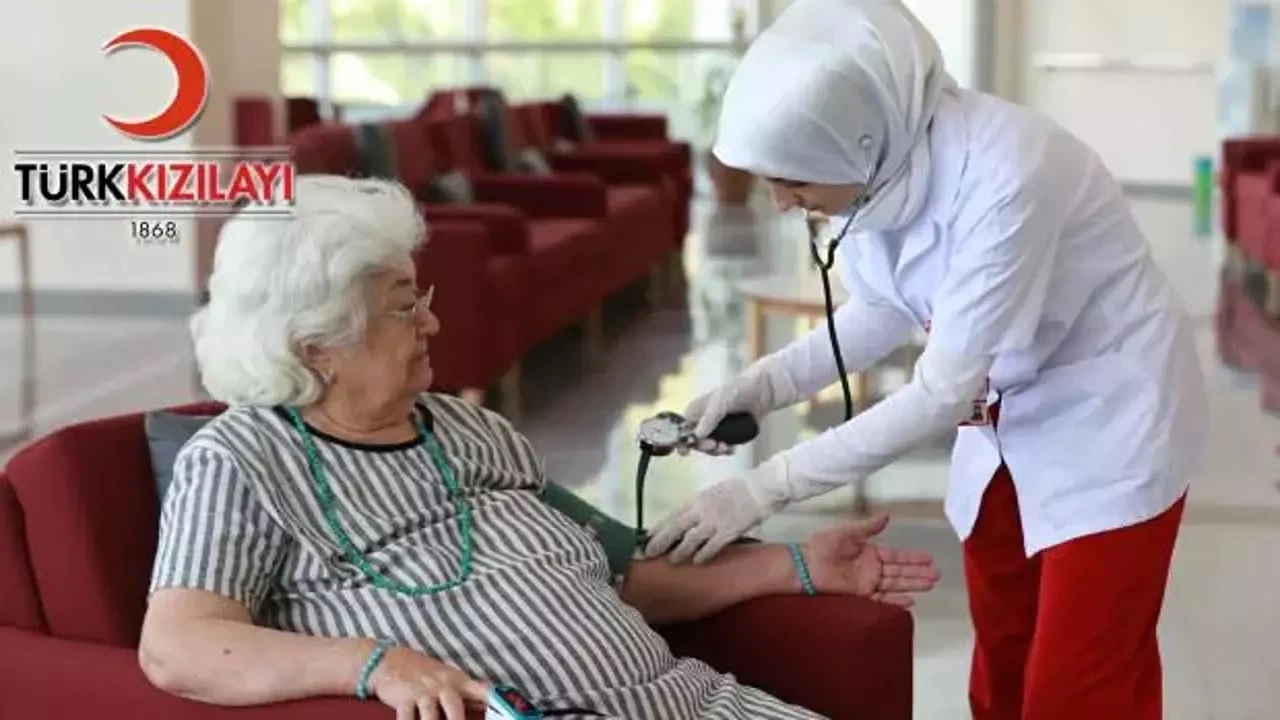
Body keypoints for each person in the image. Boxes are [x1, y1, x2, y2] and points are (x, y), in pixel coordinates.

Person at [137, 174, 941, 720]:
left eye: (423, 297)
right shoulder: (241, 460)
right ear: (316, 344)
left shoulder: (466, 428)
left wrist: (798, 565)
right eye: (401, 306)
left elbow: (619, 572)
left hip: (693, 702)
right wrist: (370, 663)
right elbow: (178, 647)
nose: (433, 323)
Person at [642, 0, 1209, 718]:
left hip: (1108, 421)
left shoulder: (1006, 172)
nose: (782, 203)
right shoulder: (885, 170)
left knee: (1078, 688)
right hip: (1004, 417)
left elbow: (939, 392)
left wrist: (763, 489)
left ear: (862, 144)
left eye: (793, 182)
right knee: (1003, 659)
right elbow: (885, 305)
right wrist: (762, 386)